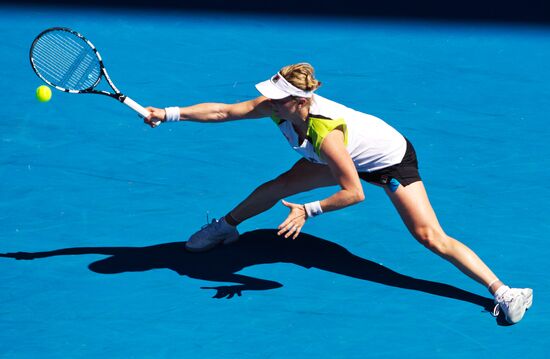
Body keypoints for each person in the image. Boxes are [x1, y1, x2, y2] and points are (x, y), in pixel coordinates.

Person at [144, 63, 532, 324]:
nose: (267, 101)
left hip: (388, 163)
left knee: (430, 237)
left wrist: (307, 211)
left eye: (276, 97)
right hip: (339, 157)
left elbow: (354, 192)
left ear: (298, 101)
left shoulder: (324, 134)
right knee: (277, 185)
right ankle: (225, 227)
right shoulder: (278, 107)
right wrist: (168, 113)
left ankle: (505, 292)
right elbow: (224, 112)